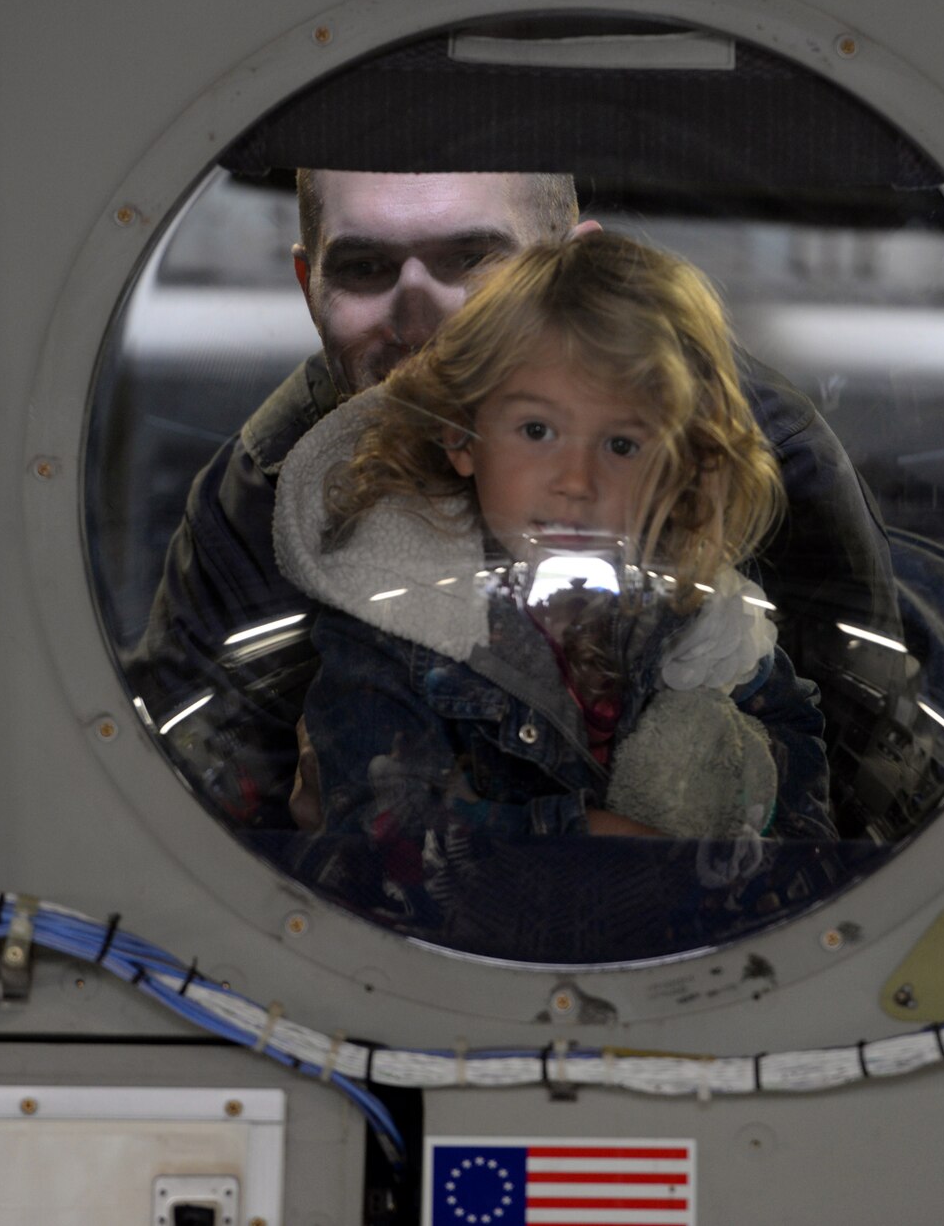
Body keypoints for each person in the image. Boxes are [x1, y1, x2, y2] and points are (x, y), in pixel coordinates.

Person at [123, 169, 902, 835]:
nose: (416, 311)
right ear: (308, 286)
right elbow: (190, 825)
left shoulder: (747, 448)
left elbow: (858, 787)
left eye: (472, 256)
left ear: (578, 269)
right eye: (363, 266)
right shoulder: (268, 493)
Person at [273, 233, 833, 854]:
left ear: (680, 465)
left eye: (622, 444)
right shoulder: (394, 624)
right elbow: (382, 840)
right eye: (537, 430)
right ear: (462, 436)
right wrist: (594, 843)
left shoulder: (709, 619)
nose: (576, 482)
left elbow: (805, 815)